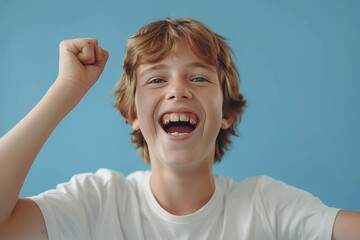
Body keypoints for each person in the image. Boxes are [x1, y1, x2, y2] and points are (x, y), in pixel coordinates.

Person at [0, 17, 359, 240]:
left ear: (226, 114)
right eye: (156, 79)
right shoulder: (97, 203)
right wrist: (65, 91)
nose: (178, 89)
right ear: (133, 115)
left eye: (199, 77)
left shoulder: (265, 206)